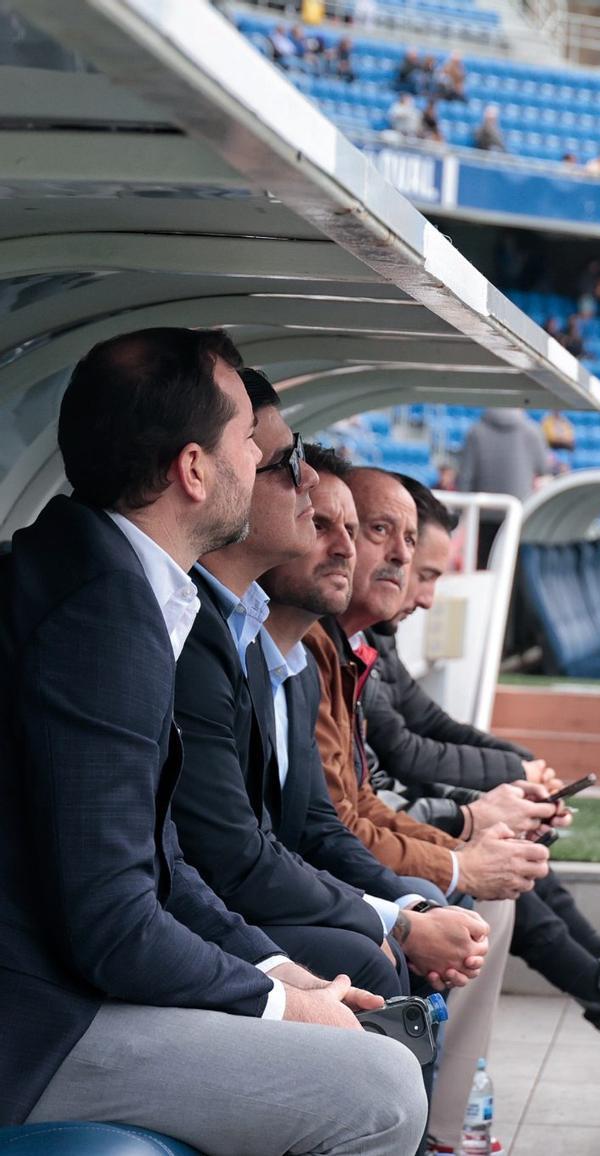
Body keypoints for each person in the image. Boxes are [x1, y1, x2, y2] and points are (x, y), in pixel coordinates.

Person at [0, 328, 425, 1153]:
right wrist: (286, 1008)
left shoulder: (97, 575)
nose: (264, 462)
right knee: (381, 1092)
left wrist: (280, 973)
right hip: (36, 1021)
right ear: (193, 471)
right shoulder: (99, 617)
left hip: (58, 985)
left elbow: (161, 864)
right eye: (247, 442)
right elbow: (113, 922)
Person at [365, 476, 600, 1069]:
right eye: (425, 574)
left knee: (509, 839)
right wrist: (479, 808)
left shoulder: (368, 639)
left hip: (392, 813)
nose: (426, 597)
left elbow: (426, 725)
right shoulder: (338, 641)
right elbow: (403, 754)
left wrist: (521, 769)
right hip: (382, 831)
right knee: (495, 855)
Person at [260, 450, 544, 1148]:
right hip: (272, 892)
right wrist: (457, 856)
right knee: (405, 933)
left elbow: (344, 809)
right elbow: (359, 801)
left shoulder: (318, 651)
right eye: (373, 531)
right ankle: (432, 1130)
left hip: (309, 869)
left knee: (484, 889)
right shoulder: (303, 648)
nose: (384, 555)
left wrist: (469, 840)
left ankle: (443, 1125)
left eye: (405, 541)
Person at [174, 368, 486, 999]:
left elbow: (321, 824)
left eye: (355, 529)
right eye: (322, 523)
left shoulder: (287, 664)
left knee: (427, 909)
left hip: (246, 893)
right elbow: (235, 854)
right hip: (201, 914)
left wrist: (409, 906)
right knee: (369, 952)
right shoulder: (209, 637)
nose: (348, 548)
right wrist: (402, 915)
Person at [457, 408, 549, 567]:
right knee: (515, 567)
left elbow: (465, 477)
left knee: (485, 567)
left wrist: (462, 514)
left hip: (483, 514)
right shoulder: (533, 432)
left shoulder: (475, 432)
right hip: (519, 513)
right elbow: (544, 470)